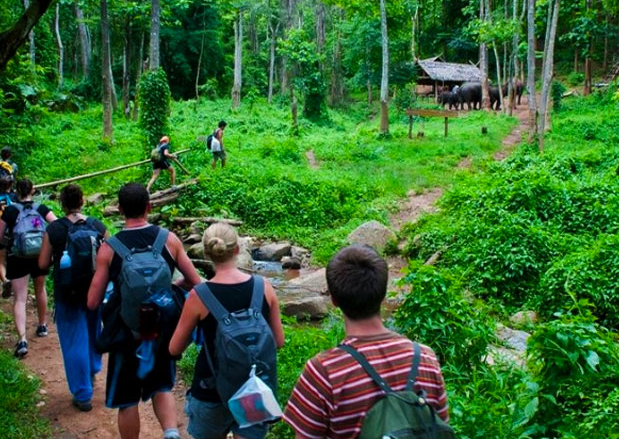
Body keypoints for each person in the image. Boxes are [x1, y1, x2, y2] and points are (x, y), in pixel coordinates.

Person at [282, 245, 450, 438]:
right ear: (384, 293)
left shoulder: (323, 371)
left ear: (334, 300)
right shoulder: (426, 358)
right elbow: (441, 427)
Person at [87, 183, 202, 439]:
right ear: (149, 206)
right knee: (162, 387)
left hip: (126, 334)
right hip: (161, 331)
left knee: (127, 401)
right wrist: (173, 286)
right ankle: (171, 433)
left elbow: (93, 301)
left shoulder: (110, 248)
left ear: (119, 210)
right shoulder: (168, 240)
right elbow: (195, 282)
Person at [169, 222, 284, 439]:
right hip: (254, 388)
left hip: (210, 389)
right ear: (238, 250)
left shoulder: (199, 296)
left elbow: (175, 348)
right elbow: (278, 341)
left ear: (206, 253)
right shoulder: (264, 287)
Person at [38, 184, 108, 412]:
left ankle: (82, 393)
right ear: (83, 200)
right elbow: (112, 252)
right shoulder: (96, 225)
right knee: (92, 330)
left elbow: (42, 264)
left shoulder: (55, 229)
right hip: (94, 290)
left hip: (66, 292)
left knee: (73, 339)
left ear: (61, 203)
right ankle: (92, 368)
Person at [0, 178, 57, 358]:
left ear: (17, 192)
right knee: (40, 290)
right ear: (32, 191)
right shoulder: (41, 208)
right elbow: (55, 225)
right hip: (40, 254)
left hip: (17, 256)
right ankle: (42, 326)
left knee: (20, 299)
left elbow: (0, 235)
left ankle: (23, 339)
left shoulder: (10, 211)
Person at [0, 176, 17, 298]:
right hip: (11, 233)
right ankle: (14, 282)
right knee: (9, 260)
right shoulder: (13, 198)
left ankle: (5, 281)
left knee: (0, 261)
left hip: (0, 233)